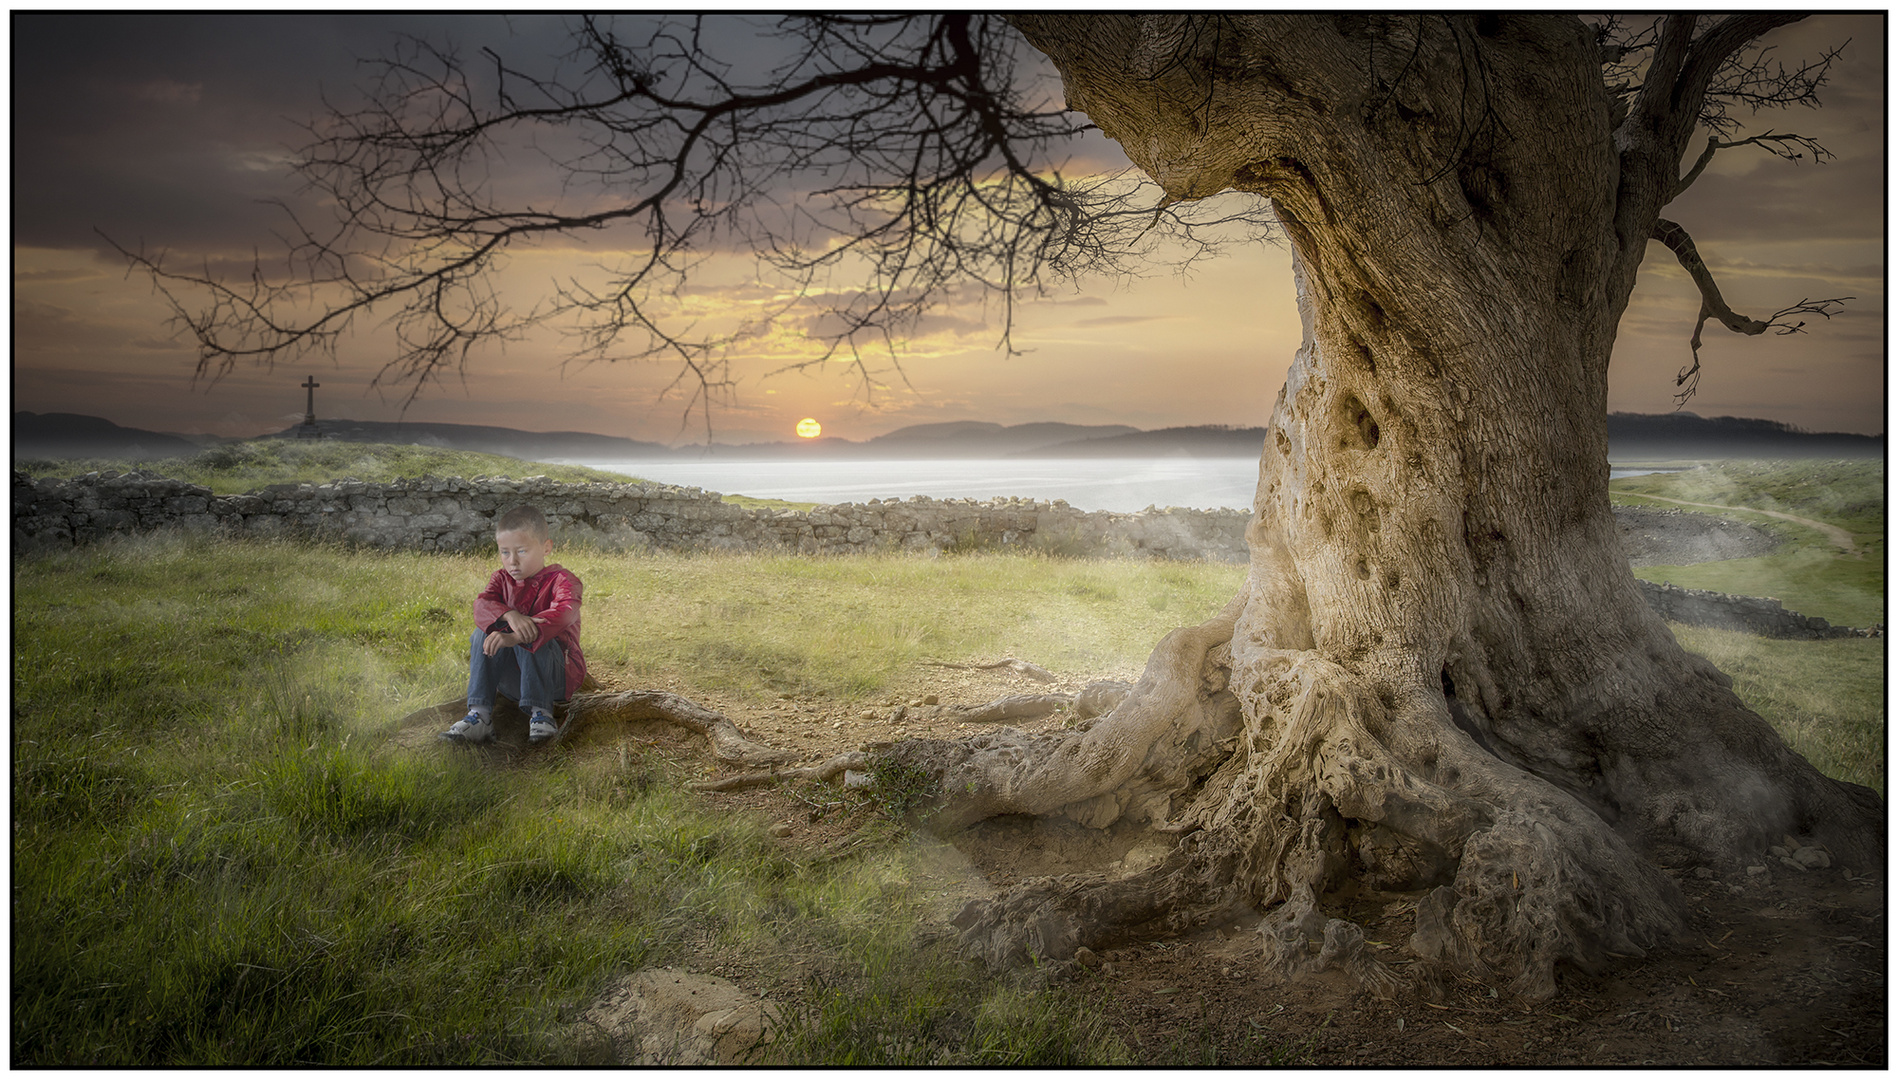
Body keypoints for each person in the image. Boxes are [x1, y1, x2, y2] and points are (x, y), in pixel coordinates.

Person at [442, 504, 588, 744]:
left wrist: (517, 635)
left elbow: (564, 613)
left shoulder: (564, 580)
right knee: (483, 633)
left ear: (546, 547)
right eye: (505, 552)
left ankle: (542, 714)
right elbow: (482, 605)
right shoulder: (501, 579)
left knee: (530, 631)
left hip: (557, 678)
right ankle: (480, 715)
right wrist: (510, 615)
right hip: (513, 682)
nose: (512, 562)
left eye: (521, 551)